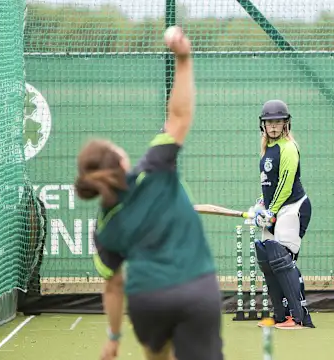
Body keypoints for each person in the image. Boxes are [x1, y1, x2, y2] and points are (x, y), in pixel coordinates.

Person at [74, 28, 223, 360]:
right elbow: (180, 115)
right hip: (196, 288)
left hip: (147, 301)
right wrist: (183, 59)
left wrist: (113, 337)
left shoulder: (104, 227)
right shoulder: (155, 166)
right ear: (121, 160)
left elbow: (113, 286)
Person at [248, 99, 315, 330]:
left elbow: (286, 185)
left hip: (293, 207)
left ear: (286, 124)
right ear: (263, 125)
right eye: (269, 122)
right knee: (267, 256)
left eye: (278, 122)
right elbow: (268, 184)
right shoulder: (267, 149)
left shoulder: (288, 147)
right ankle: (279, 316)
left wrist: (271, 211)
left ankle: (297, 317)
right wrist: (260, 204)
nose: (273, 126)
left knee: (282, 259)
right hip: (276, 208)